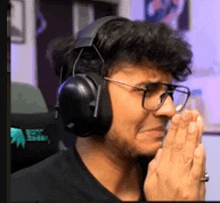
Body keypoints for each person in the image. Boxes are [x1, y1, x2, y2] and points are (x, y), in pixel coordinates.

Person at [11, 16, 207, 202]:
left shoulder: (173, 180)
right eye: (147, 90)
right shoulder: (20, 194)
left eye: (168, 93)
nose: (170, 110)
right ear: (85, 98)